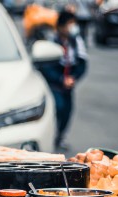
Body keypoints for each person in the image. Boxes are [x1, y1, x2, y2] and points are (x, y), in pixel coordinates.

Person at [37, 10, 88, 150]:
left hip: (68, 84)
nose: (72, 27)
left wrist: (74, 77)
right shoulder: (51, 41)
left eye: (74, 24)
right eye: (69, 24)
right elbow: (45, 67)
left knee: (67, 111)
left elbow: (82, 63)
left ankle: (60, 137)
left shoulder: (76, 42)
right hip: (54, 84)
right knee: (57, 108)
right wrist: (60, 79)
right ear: (60, 26)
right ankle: (51, 137)